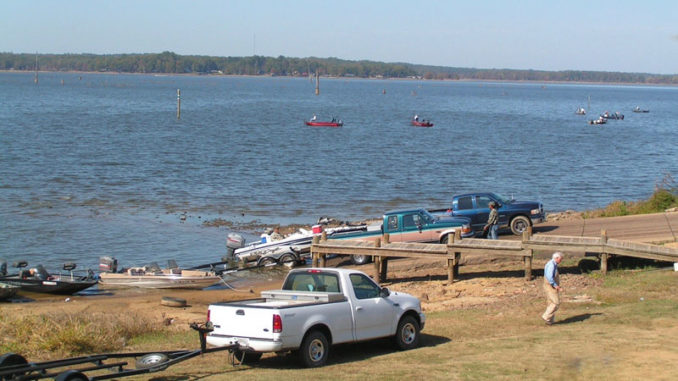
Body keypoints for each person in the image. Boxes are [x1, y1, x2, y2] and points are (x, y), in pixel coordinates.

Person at [542, 252, 563, 325]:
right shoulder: (551, 265)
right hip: (550, 286)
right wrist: (555, 285)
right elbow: (550, 276)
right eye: (560, 259)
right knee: (556, 302)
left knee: (550, 302)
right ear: (556, 258)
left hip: (550, 285)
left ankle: (550, 321)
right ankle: (546, 316)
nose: (561, 260)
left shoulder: (553, 264)